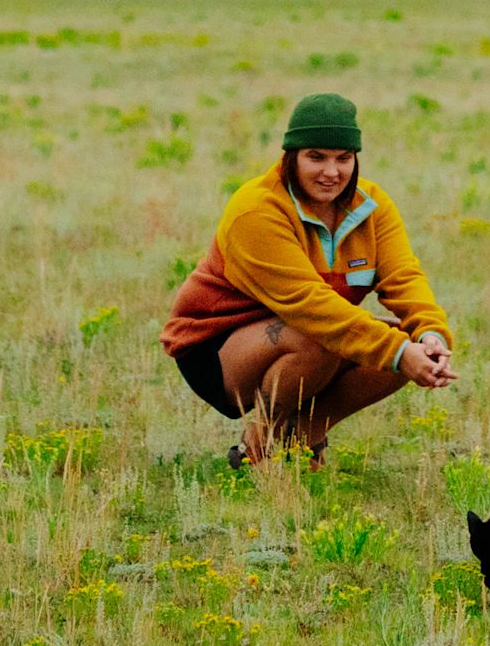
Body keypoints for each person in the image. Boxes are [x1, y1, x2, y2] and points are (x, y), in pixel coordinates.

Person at [162, 92, 455, 462]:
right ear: (291, 157)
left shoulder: (373, 206)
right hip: (214, 347)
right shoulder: (256, 210)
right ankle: (259, 448)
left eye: (343, 158)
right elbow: (309, 306)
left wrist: (429, 335)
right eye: (316, 157)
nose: (331, 172)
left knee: (404, 341)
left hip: (307, 332)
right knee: (332, 339)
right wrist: (398, 353)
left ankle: (304, 436)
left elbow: (404, 276)